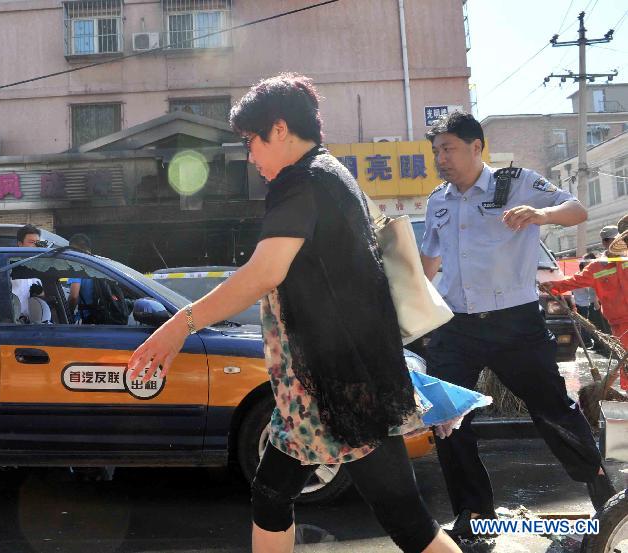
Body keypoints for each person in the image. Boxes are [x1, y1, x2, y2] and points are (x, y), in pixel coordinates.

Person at [127, 73, 460, 553]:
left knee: (405, 518)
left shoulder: (300, 181)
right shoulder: (330, 174)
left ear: (278, 129)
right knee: (271, 493)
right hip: (316, 384)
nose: (250, 156)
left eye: (251, 142)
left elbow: (265, 271)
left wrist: (179, 325)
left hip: (340, 385)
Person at [419, 111, 614, 540]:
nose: (441, 159)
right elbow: (428, 262)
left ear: (476, 146)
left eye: (448, 149)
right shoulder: (439, 200)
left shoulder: (516, 182)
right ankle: (474, 518)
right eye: (436, 151)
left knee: (554, 412)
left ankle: (607, 499)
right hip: (456, 327)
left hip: (515, 324)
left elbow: (576, 210)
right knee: (447, 420)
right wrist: (412, 303)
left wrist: (539, 215)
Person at [541, 215, 628, 373]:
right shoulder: (596, 268)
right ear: (605, 243)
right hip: (620, 323)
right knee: (625, 362)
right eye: (611, 240)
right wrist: (551, 286)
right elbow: (573, 282)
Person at [67, 233, 96, 323]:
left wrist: (67, 313)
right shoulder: (97, 264)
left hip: (86, 318)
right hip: (99, 315)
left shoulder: (77, 267)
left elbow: (74, 297)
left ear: (73, 249)